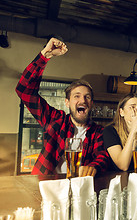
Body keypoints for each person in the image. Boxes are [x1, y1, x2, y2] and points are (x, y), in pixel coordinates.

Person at [15, 37, 110, 176]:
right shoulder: (55, 120)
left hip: (78, 187)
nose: (82, 100)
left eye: (87, 97)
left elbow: (102, 156)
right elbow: (24, 90)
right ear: (67, 102)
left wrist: (94, 166)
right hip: (47, 185)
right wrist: (44, 56)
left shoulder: (98, 132)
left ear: (92, 104)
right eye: (76, 96)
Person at [102, 93, 137, 171]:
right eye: (132, 107)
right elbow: (123, 166)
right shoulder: (110, 131)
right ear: (121, 112)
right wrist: (133, 131)